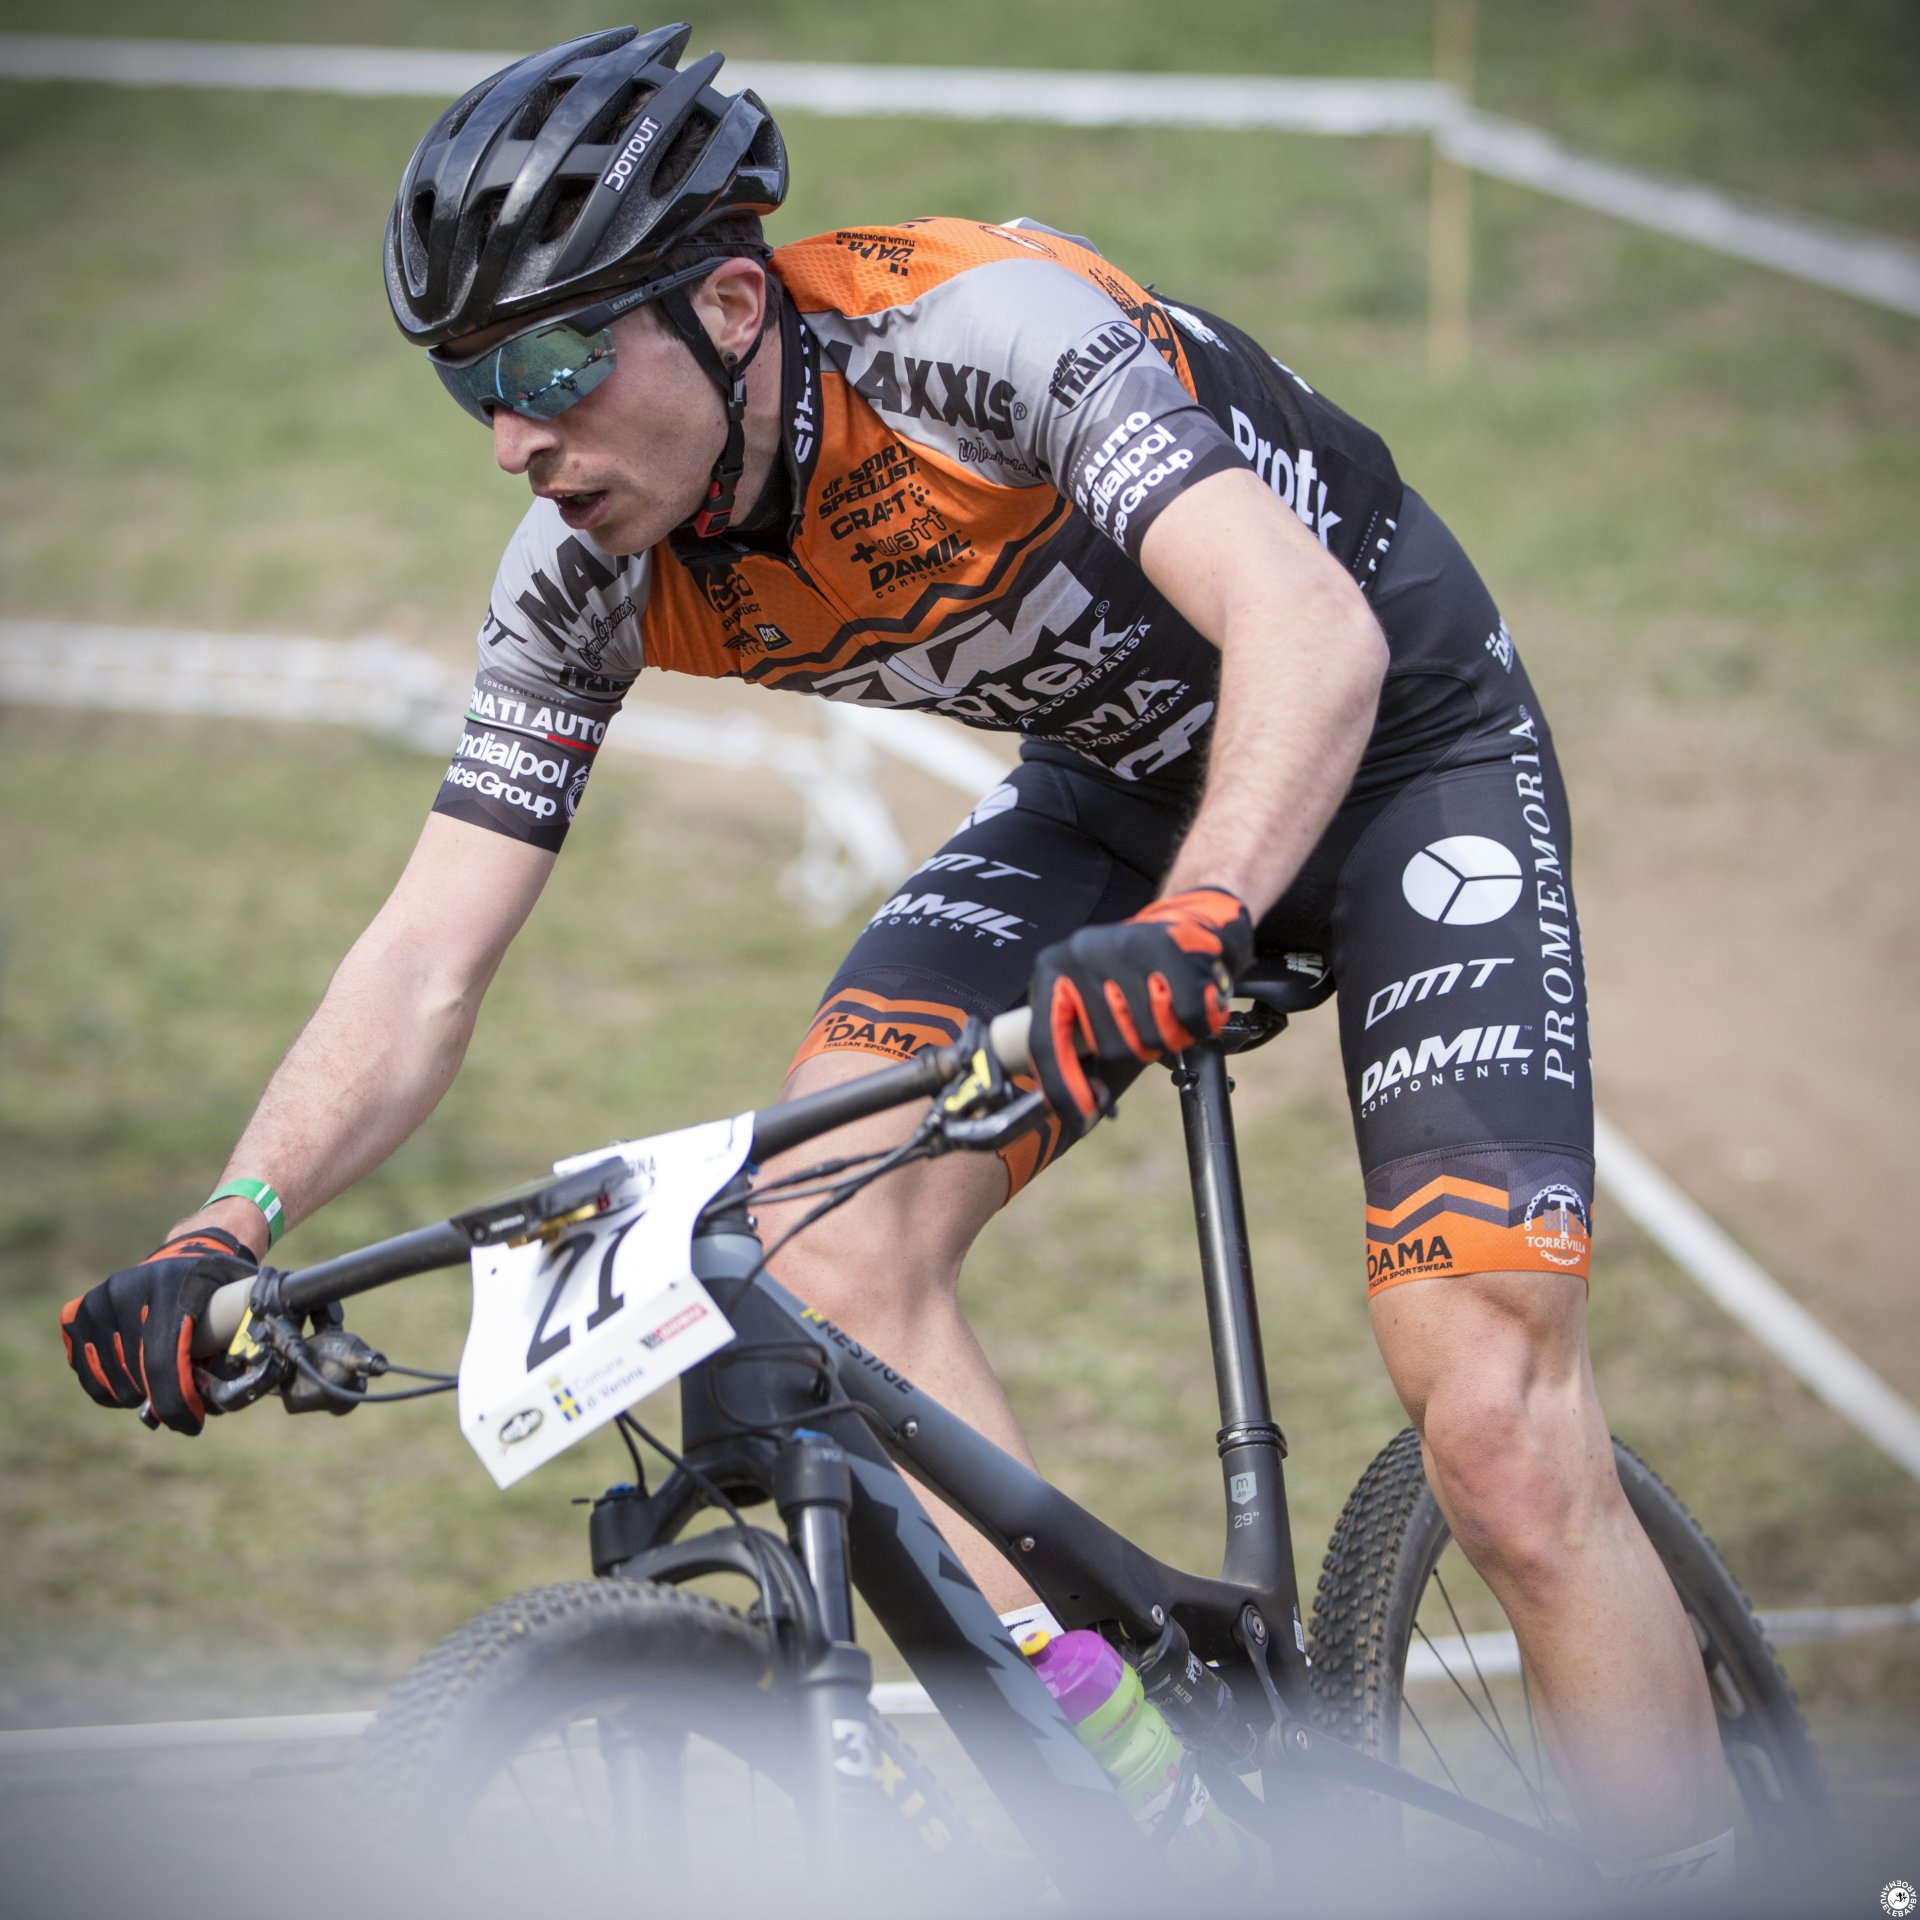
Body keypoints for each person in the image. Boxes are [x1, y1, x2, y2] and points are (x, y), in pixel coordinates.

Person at [60, 23, 1732, 1895]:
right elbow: (429, 950)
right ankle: (1144, 1789)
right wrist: (229, 1221)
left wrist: (1199, 916)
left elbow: (1310, 631)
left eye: (551, 364)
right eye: (471, 387)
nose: (519, 438)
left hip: (1403, 747)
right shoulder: (585, 572)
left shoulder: (976, 338)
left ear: (725, 307)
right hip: (1113, 794)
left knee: (1494, 1428)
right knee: (820, 1249)